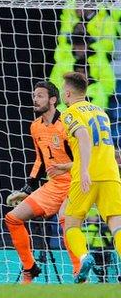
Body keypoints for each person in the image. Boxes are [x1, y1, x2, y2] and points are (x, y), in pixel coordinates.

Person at [4, 81, 80, 283]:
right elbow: (40, 159)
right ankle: (30, 268)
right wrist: (28, 187)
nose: (35, 99)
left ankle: (79, 274)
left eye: (40, 96)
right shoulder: (35, 126)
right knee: (12, 218)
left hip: (74, 183)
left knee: (66, 221)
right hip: (53, 185)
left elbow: (83, 159)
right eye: (34, 96)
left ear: (53, 100)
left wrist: (66, 168)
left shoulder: (67, 124)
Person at [59, 71, 121, 283]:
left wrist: (84, 169)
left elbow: (84, 136)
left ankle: (85, 257)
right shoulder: (101, 112)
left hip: (86, 176)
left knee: (71, 224)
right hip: (111, 174)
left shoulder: (69, 113)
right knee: (117, 224)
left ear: (67, 93)